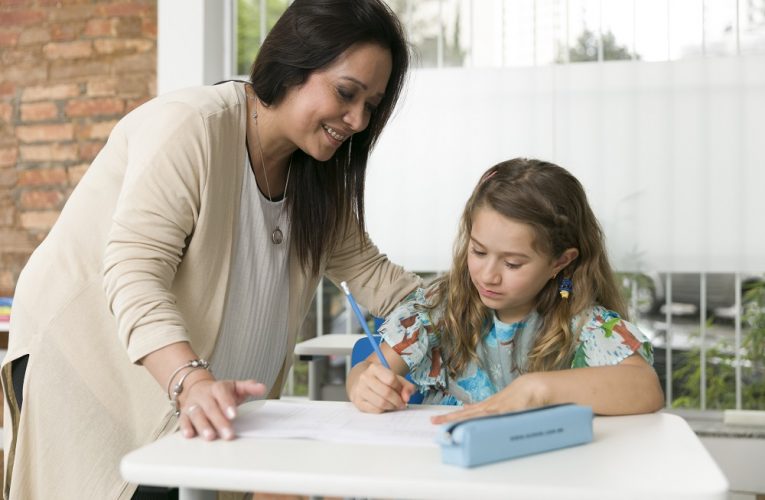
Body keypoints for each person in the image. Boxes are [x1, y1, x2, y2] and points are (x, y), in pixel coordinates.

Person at [2, 1, 421, 498]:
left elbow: (378, 279)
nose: (356, 120)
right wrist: (191, 381)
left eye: (370, 106)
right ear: (293, 63)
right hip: (90, 361)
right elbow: (135, 270)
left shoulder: (316, 175)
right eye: (346, 93)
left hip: (195, 391)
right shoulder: (193, 126)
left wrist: (480, 309)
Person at [347, 158, 664, 422]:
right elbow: (370, 370)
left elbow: (646, 388)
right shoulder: (439, 309)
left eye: (512, 263)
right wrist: (363, 383)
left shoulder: (582, 323)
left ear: (560, 262)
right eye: (479, 252)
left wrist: (537, 388)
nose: (488, 275)